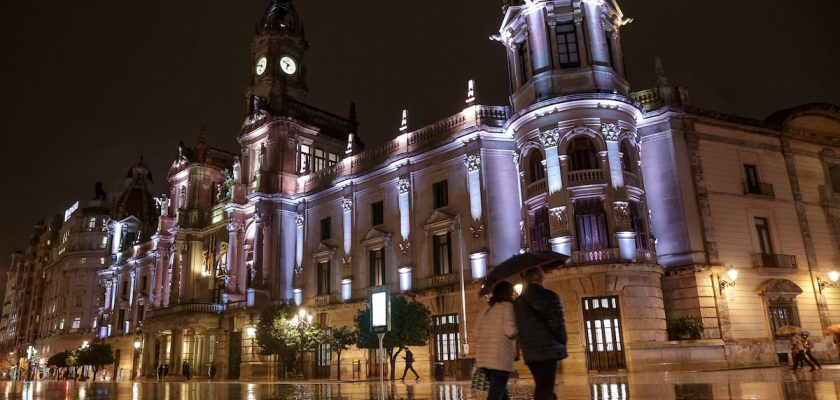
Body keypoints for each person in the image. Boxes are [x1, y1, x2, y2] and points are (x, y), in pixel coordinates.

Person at [514, 267, 567, 400]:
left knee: (544, 386)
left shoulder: (518, 303)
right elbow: (557, 323)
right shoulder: (550, 296)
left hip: (530, 352)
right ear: (541, 278)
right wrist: (562, 340)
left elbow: (517, 328)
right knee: (545, 389)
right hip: (548, 351)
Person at [474, 281, 518, 400]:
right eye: (512, 292)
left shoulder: (487, 308)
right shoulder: (507, 306)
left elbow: (475, 331)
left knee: (501, 393)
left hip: (484, 359)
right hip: (499, 359)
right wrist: (519, 326)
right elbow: (509, 330)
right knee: (496, 394)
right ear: (508, 293)